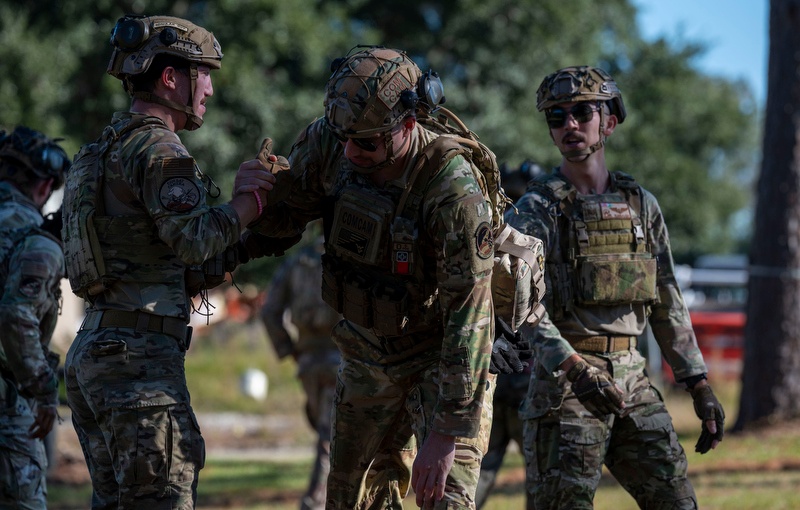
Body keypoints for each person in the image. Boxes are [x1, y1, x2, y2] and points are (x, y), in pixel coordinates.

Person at [241, 47, 495, 509]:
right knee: (350, 501)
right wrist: (248, 210)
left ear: (409, 124)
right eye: (344, 138)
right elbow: (286, 219)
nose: (351, 151)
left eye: (368, 142)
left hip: (441, 357)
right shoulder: (332, 142)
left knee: (446, 499)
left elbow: (469, 314)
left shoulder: (451, 189)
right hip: (365, 351)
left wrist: (444, 434)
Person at [62, 14, 276, 508]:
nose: (210, 92)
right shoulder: (159, 146)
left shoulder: (101, 149)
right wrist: (249, 202)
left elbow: (153, 255)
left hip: (95, 350)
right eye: (204, 76)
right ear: (170, 78)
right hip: (139, 364)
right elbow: (194, 240)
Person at [507, 66, 726, 509]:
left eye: (582, 112)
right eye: (557, 117)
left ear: (609, 120)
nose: (569, 124)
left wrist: (697, 382)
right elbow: (518, 302)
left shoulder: (640, 204)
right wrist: (572, 368)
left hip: (632, 378)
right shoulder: (537, 208)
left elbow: (666, 296)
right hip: (565, 386)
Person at [0, 126, 69, 509]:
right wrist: (43, 391)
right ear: (44, 187)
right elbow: (15, 316)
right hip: (9, 412)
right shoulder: (35, 241)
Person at [474, 160, 543, 510]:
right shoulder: (533, 240)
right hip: (523, 381)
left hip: (492, 375)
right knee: (538, 475)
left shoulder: (486, 232)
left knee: (479, 471)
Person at [260, 229, 342, 510]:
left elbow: (269, 311)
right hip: (343, 359)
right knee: (330, 437)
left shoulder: (297, 261)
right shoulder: (350, 259)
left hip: (307, 360)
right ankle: (314, 503)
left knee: (327, 432)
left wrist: (289, 350)